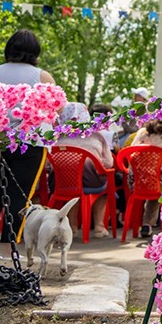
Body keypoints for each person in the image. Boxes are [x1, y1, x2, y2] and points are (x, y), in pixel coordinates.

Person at [0, 30, 58, 242]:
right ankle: (12, 243)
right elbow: (54, 111)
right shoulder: (42, 76)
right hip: (30, 143)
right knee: (20, 196)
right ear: (35, 52)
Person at [52, 101, 116, 237]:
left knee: (73, 189)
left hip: (61, 183)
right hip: (91, 181)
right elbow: (109, 163)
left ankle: (73, 226)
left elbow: (47, 165)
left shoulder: (55, 137)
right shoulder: (96, 135)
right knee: (104, 187)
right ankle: (99, 226)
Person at [130, 100, 162, 237]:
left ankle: (147, 224)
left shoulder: (142, 133)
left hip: (138, 181)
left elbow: (130, 153)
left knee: (156, 186)